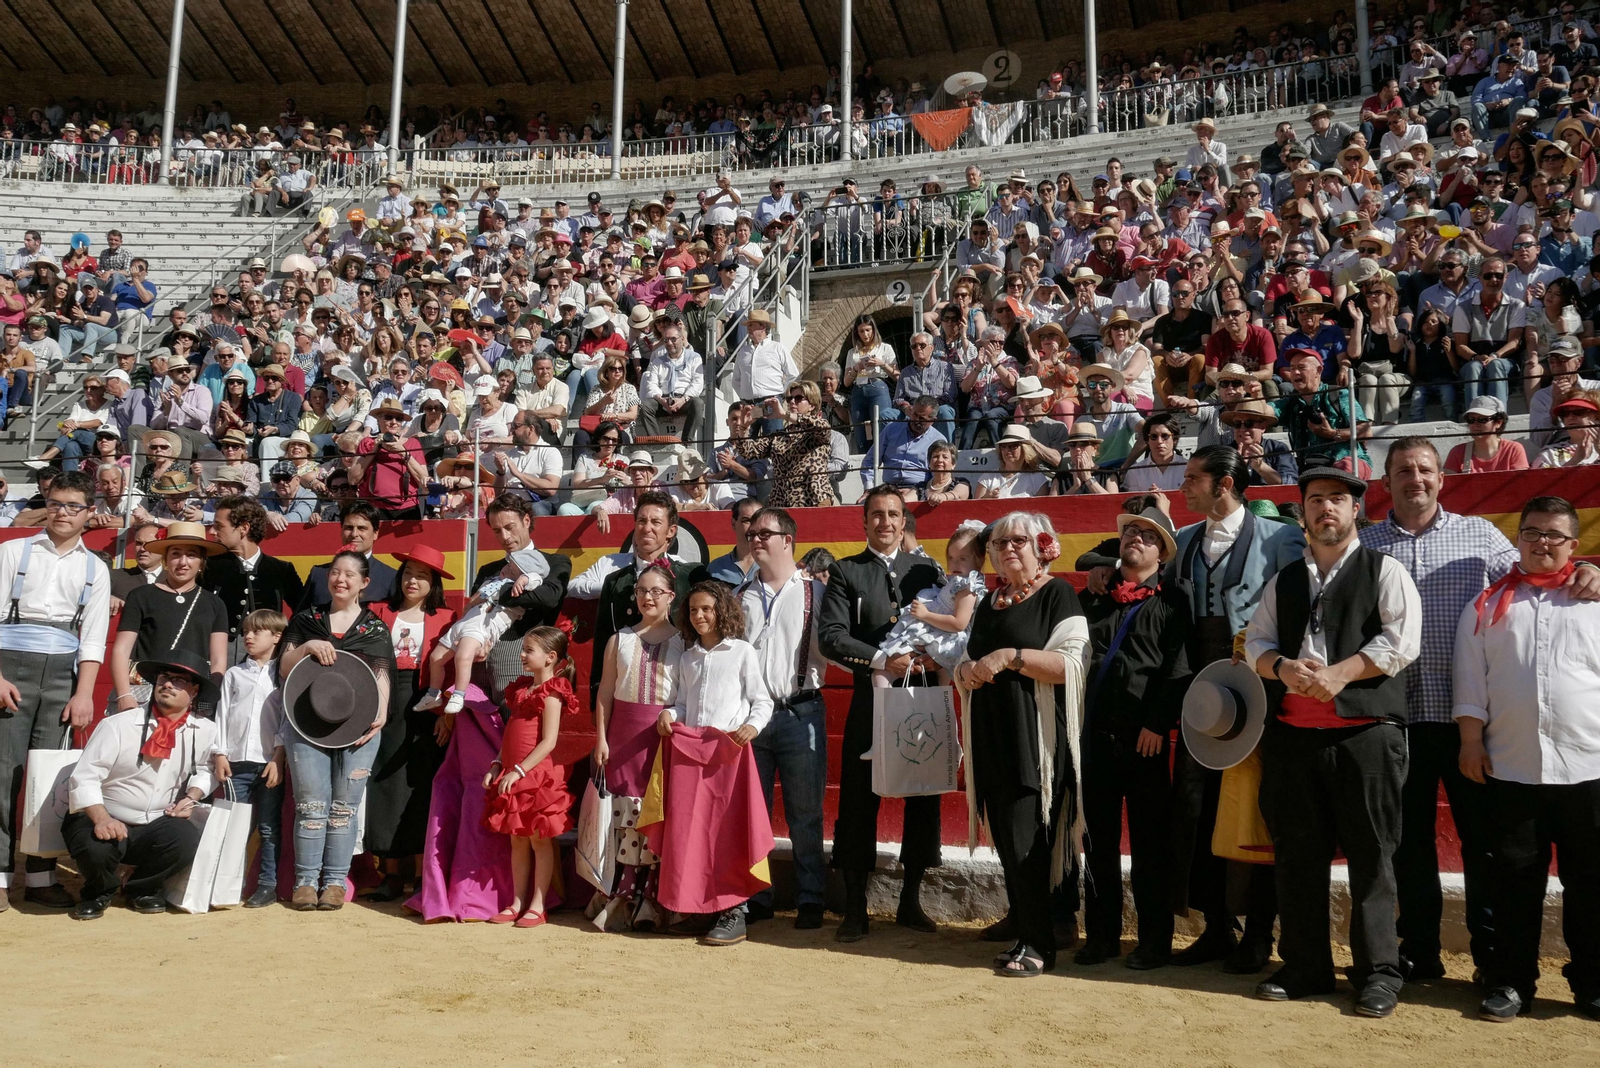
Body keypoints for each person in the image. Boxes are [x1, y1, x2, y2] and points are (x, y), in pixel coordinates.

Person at [1244, 467, 1422, 1018]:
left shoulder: (1384, 569)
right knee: (1297, 856)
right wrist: (1282, 667)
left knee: (1373, 856)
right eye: (1316, 499)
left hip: (1366, 733)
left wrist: (1340, 674)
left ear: (1355, 511)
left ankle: (1378, 973)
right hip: (1294, 736)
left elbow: (1402, 641)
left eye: (1337, 500)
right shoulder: (1284, 580)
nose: (1326, 508)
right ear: (1302, 513)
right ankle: (1305, 966)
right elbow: (1256, 644)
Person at [1453, 495, 1600, 1022]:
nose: (1542, 542)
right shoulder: (1487, 606)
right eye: (1532, 532)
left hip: (1589, 767)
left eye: (1554, 534)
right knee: (1514, 885)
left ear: (1573, 544)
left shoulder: (1595, 601)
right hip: (1513, 767)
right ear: (1518, 539)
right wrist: (1471, 742)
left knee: (1592, 883)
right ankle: (1512, 982)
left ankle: (1592, 983)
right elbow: (1471, 682)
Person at [1156, 446, 1302, 973]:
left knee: (1257, 810)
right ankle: (1217, 926)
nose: (1184, 487)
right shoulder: (1185, 540)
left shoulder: (1281, 538)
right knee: (1196, 808)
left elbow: (1297, 615)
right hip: (1203, 693)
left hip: (1260, 691)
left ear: (1224, 484)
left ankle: (1259, 933)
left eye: (1193, 479)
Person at [954, 512, 1086, 976]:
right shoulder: (989, 602)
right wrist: (965, 671)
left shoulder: (1058, 593)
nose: (1007, 548)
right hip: (992, 733)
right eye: (999, 543)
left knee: (1029, 839)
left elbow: (1072, 665)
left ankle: (1039, 942)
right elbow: (968, 658)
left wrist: (1012, 657)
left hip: (1035, 738)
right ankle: (1026, 932)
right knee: (1009, 838)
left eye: (1018, 541)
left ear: (1041, 546)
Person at [818, 486, 946, 941]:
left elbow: (949, 624)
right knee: (858, 800)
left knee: (923, 796)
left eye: (893, 514)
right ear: (864, 521)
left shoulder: (927, 569)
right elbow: (831, 636)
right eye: (876, 514)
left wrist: (935, 654)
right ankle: (856, 908)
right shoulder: (846, 571)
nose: (885, 522)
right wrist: (879, 659)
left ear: (903, 520)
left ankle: (910, 900)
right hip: (870, 701)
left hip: (920, 697)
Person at [1076, 506, 1191, 970]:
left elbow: (1177, 668)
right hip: (1094, 737)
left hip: (1144, 739)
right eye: (1130, 532)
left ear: (1162, 553)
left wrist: (1157, 724)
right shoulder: (1093, 597)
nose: (1136, 539)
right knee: (1097, 845)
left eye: (1148, 535)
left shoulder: (1174, 600)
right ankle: (1101, 937)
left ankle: (1154, 942)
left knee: (1150, 847)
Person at [0, 470, 110, 911]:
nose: (62, 513)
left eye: (73, 506)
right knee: (3, 775)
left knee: (50, 780)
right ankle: (0, 877)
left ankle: (41, 877)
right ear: (46, 504)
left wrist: (84, 694)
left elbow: (94, 639)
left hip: (63, 677)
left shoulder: (95, 568)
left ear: (88, 513)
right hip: (10, 671)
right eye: (56, 504)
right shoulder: (12, 551)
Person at [62, 649, 219, 920]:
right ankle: (98, 892)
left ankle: (141, 888)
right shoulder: (118, 725)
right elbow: (85, 777)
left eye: (178, 680)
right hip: (105, 815)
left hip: (156, 821)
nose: (167, 684)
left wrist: (191, 796)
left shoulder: (206, 730)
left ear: (194, 692)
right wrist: (101, 818)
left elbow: (207, 769)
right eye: (164, 678)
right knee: (94, 846)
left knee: (186, 838)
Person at [278, 550, 395, 910]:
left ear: (364, 583)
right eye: (334, 572)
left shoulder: (375, 628)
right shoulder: (306, 619)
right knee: (311, 805)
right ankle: (305, 882)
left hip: (359, 727)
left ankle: (333, 883)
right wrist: (307, 647)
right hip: (307, 724)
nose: (340, 579)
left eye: (349, 574)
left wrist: (382, 712)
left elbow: (381, 673)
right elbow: (284, 668)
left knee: (344, 808)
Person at [664, 580, 774, 946]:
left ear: (721, 611)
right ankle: (702, 908)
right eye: (693, 610)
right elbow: (683, 703)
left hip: (729, 754)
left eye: (707, 609)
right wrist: (669, 714)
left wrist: (752, 726)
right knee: (695, 834)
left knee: (728, 832)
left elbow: (762, 700)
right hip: (692, 756)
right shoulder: (688, 658)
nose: (699, 616)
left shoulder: (741, 651)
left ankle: (735, 911)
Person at [740, 506, 829, 929]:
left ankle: (811, 897)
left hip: (800, 709)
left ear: (788, 540)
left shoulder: (817, 593)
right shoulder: (739, 595)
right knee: (753, 811)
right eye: (752, 533)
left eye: (765, 533)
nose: (756, 539)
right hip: (750, 716)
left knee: (805, 812)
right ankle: (757, 894)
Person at [589, 561, 684, 931]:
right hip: (623, 736)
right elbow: (605, 692)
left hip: (662, 736)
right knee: (624, 814)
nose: (648, 597)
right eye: (642, 591)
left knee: (654, 813)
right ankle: (622, 892)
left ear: (671, 596)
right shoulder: (620, 639)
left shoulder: (683, 642)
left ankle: (652, 896)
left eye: (656, 591)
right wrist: (601, 736)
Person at [365, 544, 460, 901]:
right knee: (384, 784)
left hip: (426, 707)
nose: (413, 581)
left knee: (420, 786)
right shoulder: (377, 611)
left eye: (422, 576)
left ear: (433, 583)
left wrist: (446, 715)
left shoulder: (447, 617)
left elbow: (453, 670)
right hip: (384, 704)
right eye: (408, 573)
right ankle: (390, 873)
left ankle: (422, 875)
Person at [482, 626, 575, 929]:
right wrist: (497, 764)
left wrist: (520, 770)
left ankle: (538, 904)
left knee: (539, 841)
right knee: (517, 841)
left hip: (536, 777)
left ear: (550, 657)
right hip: (513, 773)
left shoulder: (553, 692)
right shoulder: (522, 690)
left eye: (528, 650)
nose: (522, 655)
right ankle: (517, 901)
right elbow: (511, 733)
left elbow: (549, 741)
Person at [108, 522, 229, 718]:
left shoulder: (215, 604)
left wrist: (207, 697)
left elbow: (218, 659)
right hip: (145, 693)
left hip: (191, 696)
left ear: (201, 562)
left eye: (191, 555)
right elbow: (121, 650)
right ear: (165, 558)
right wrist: (124, 695)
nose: (183, 562)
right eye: (175, 554)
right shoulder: (141, 596)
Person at [210, 609, 288, 909]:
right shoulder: (234, 674)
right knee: (233, 825)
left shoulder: (283, 675)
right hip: (236, 764)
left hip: (268, 763)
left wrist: (278, 756)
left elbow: (286, 719)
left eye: (256, 631)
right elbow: (222, 715)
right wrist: (220, 753)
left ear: (277, 636)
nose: (248, 636)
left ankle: (267, 885)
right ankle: (227, 883)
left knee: (268, 827)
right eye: (245, 632)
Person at [465, 494, 571, 701]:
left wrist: (494, 591)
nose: (505, 537)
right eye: (497, 531)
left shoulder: (555, 562)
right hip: (479, 655)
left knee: (515, 716)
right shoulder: (489, 569)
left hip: (521, 653)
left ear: (526, 521)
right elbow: (473, 608)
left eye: (510, 527)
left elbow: (548, 598)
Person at [872, 522, 985, 687]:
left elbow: (959, 623)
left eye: (962, 558)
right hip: (938, 632)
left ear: (979, 560)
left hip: (944, 637)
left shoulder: (967, 586)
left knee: (882, 673)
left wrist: (925, 615)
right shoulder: (956, 581)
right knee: (940, 683)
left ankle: (884, 702)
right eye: (951, 558)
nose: (955, 564)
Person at [203, 496, 306, 664]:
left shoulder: (280, 569)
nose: (212, 532)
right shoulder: (209, 566)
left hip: (270, 657)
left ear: (244, 528)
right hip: (220, 654)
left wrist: (287, 643)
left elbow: (303, 613)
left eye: (219, 526)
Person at [732, 381, 836, 508]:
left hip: (813, 500)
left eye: (798, 398)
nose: (792, 402)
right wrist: (744, 428)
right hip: (782, 503)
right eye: (789, 398)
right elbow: (748, 452)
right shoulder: (779, 435)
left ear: (812, 406)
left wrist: (785, 415)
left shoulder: (818, 427)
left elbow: (822, 428)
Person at [299, 502, 397, 608]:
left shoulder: (390, 577)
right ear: (341, 531)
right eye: (349, 528)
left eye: (362, 528)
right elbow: (300, 615)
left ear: (375, 534)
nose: (354, 534)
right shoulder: (318, 574)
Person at [1444, 396, 1528, 473]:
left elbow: (1521, 483)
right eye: (1471, 419)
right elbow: (1449, 483)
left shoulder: (1513, 450)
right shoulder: (1457, 452)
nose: (1476, 424)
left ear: (1499, 422)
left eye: (1482, 419)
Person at [707, 497, 762, 587]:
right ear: (733, 523)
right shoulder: (715, 567)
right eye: (746, 520)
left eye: (757, 520)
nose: (753, 527)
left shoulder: (773, 565)